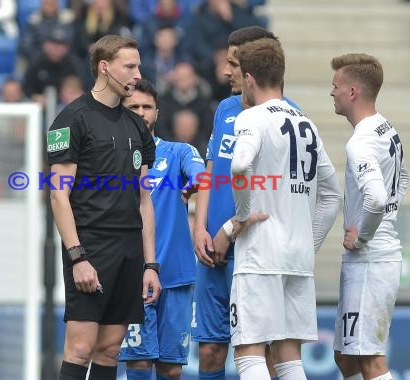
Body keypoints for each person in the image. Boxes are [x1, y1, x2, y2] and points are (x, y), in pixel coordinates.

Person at [47, 35, 162, 380]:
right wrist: (77, 256)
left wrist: (150, 263)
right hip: (91, 246)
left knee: (111, 350)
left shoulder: (136, 125)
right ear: (104, 67)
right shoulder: (72, 118)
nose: (136, 74)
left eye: (138, 65)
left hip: (129, 249)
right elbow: (57, 195)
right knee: (80, 349)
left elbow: (144, 200)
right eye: (129, 66)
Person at [228, 37, 341, 380]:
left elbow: (239, 165)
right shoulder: (306, 123)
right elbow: (333, 194)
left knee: (249, 353)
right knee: (288, 356)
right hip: (298, 257)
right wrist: (311, 241)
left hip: (261, 254)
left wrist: (242, 215)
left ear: (249, 78)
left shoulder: (251, 118)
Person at [192, 26, 295, 379]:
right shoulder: (224, 108)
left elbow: (275, 195)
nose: (225, 71)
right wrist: (199, 227)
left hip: (255, 248)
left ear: (251, 66)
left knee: (261, 351)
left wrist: (230, 230)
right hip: (213, 250)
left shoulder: (287, 116)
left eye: (233, 63)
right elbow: (210, 171)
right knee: (209, 349)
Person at [118, 79, 205, 379]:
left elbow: (200, 175)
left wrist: (193, 183)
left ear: (157, 112)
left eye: (147, 107)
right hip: (130, 275)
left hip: (175, 275)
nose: (141, 112)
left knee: (170, 369)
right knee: (139, 365)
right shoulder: (112, 158)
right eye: (134, 106)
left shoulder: (179, 152)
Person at [330, 53, 409, 380]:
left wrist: (362, 234)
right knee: (344, 356)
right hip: (377, 257)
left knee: (369, 360)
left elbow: (376, 197)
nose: (331, 92)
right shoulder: (385, 128)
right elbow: (402, 178)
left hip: (371, 260)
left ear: (352, 93)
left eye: (335, 86)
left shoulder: (361, 141)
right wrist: (389, 211)